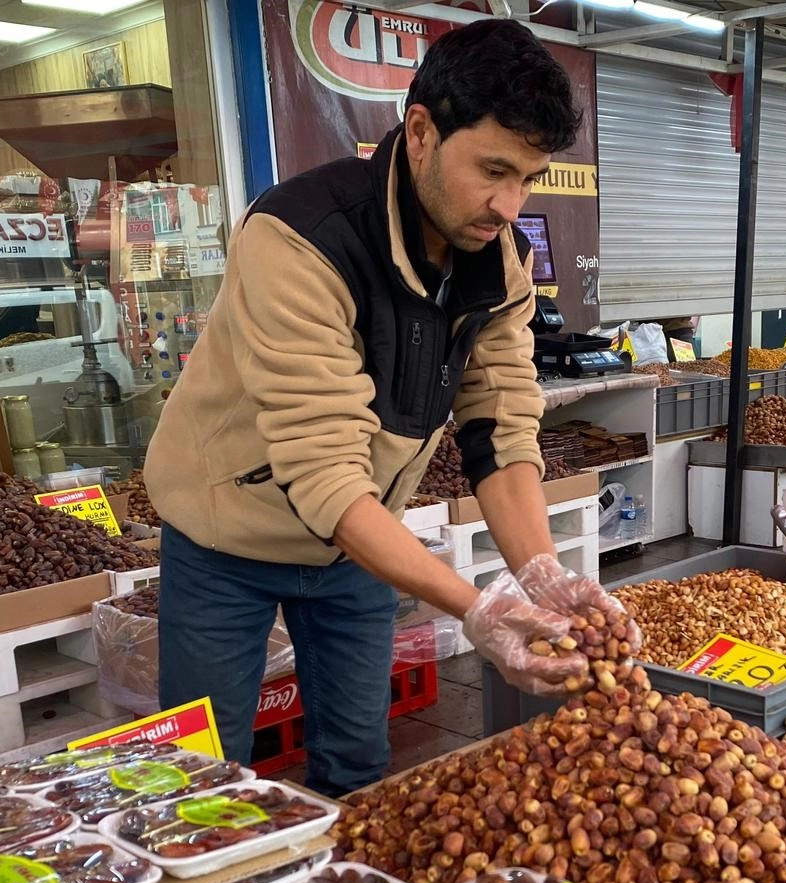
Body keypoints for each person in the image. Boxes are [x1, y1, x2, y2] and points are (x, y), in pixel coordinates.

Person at [143, 19, 603, 797]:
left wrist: (539, 573)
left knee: (358, 762)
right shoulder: (299, 237)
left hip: (356, 543)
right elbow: (322, 469)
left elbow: (500, 425)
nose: (507, 203)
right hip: (227, 533)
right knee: (194, 779)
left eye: (527, 177)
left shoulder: (503, 262)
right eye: (492, 169)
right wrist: (476, 609)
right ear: (419, 131)